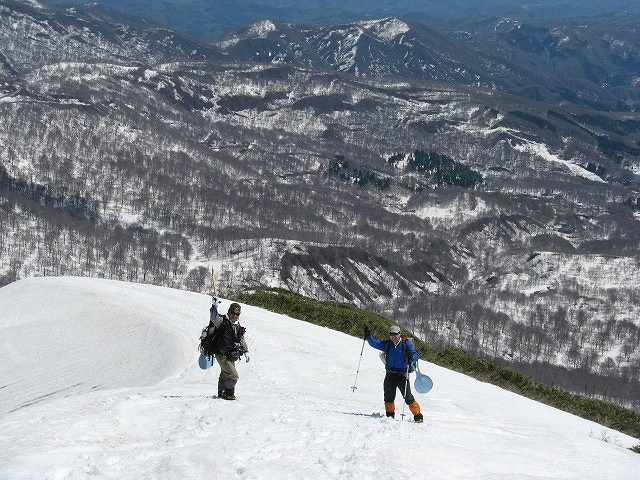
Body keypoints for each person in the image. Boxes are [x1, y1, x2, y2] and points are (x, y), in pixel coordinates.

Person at [364, 324, 423, 423]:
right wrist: (368, 336)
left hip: (402, 375)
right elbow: (375, 344)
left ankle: (418, 416)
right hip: (390, 374)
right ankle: (389, 416)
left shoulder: (406, 344)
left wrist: (412, 356)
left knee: (408, 397)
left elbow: (417, 355)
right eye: (391, 334)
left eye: (395, 334)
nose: (393, 336)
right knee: (388, 396)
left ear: (399, 334)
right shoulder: (387, 344)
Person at [208, 300, 249, 400]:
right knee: (233, 375)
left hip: (231, 355)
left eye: (237, 314)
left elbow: (241, 339)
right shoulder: (222, 321)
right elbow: (213, 317)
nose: (234, 315)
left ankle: (220, 393)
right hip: (221, 354)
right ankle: (228, 393)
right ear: (229, 311)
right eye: (232, 313)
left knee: (225, 374)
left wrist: (246, 351)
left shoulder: (237, 326)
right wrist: (214, 306)